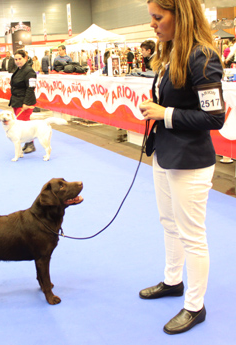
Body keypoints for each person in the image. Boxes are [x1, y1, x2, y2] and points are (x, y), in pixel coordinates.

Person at [138, 0, 225, 335]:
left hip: (190, 160)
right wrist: (154, 108)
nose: (153, 24)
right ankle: (172, 281)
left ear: (181, 15)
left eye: (158, 17)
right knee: (168, 222)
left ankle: (194, 305)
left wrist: (165, 114)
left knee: (192, 234)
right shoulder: (169, 53)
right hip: (164, 152)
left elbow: (214, 117)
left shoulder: (202, 56)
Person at [8, 49, 37, 153]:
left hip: (24, 102)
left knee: (24, 125)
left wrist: (26, 103)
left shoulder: (29, 71)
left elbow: (31, 88)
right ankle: (27, 143)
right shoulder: (18, 69)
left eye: (19, 59)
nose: (17, 61)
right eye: (15, 59)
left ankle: (30, 144)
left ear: (25, 58)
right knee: (22, 124)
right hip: (16, 101)